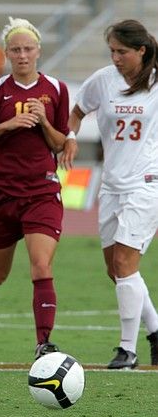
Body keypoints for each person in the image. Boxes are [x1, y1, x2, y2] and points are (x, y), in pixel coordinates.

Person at [0, 17, 70, 359]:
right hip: (0, 193)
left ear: (38, 50)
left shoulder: (56, 89)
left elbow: (60, 142)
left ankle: (44, 343)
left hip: (42, 192)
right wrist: (9, 123)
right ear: (7, 53)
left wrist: (43, 121)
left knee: (41, 265)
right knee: (0, 273)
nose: (23, 55)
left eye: (28, 49)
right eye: (16, 49)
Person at [61, 19, 158, 369]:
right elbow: (76, 112)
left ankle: (127, 351)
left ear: (141, 51)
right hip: (112, 184)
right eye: (112, 51)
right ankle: (156, 330)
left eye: (122, 52)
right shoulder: (103, 80)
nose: (115, 58)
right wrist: (70, 137)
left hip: (147, 183)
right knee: (115, 270)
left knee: (124, 263)